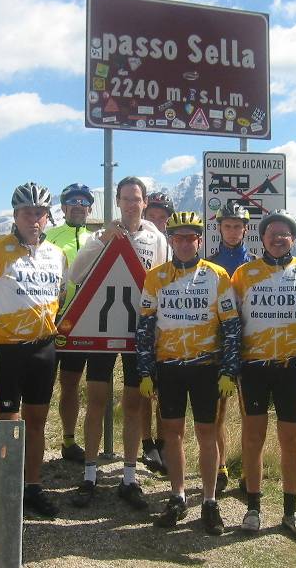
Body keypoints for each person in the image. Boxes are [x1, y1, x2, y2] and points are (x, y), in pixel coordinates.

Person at [0, 182, 67, 518]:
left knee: (37, 421)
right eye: (26, 212)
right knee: (9, 422)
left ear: (48, 216)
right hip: (7, 351)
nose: (33, 218)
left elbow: (59, 299)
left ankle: (32, 486)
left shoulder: (57, 255)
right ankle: (6, 490)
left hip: (44, 350)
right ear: (15, 215)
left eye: (39, 212)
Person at [136, 211, 240, 535]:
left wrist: (229, 370)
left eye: (190, 237)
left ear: (199, 240)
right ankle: (178, 496)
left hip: (206, 367)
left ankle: (209, 501)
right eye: (178, 237)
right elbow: (144, 327)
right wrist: (145, 371)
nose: (184, 242)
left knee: (207, 435)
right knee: (172, 435)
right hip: (169, 368)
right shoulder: (155, 277)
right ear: (171, 240)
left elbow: (232, 327)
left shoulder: (217, 275)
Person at [231, 210, 296, 536]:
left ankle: (291, 512)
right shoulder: (244, 275)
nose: (278, 238)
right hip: (253, 370)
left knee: (291, 441)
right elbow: (231, 325)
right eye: (271, 233)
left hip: (292, 369)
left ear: (293, 238)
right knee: (253, 438)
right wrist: (230, 363)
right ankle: (253, 508)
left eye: (284, 233)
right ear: (261, 238)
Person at [68, 176, 168, 510]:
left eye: (136, 198)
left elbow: (165, 283)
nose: (130, 204)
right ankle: (90, 475)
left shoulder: (156, 240)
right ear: (118, 202)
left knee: (134, 404)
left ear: (144, 202)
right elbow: (75, 274)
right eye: (125, 198)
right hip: (101, 331)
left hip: (138, 335)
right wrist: (103, 242)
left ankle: (129, 477)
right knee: (96, 401)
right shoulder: (100, 235)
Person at [207, 202, 257, 493]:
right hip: (219, 345)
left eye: (238, 226)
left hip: (250, 345)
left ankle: (250, 470)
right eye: (227, 225)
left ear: (245, 230)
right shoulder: (211, 266)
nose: (233, 231)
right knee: (217, 412)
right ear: (219, 228)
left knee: (250, 414)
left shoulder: (255, 267)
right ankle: (221, 465)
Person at [45, 182, 95, 463]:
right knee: (42, 385)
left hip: (82, 321)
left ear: (89, 208)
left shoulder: (96, 239)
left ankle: (67, 440)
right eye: (72, 202)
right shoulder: (50, 236)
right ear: (63, 208)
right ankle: (33, 444)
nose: (78, 206)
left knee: (71, 384)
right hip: (53, 320)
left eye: (83, 202)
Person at [139, 191, 176, 474]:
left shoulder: (174, 246)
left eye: (162, 217)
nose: (157, 222)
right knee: (144, 385)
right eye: (152, 216)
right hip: (139, 319)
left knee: (164, 387)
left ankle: (163, 444)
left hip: (167, 325)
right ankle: (146, 442)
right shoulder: (138, 241)